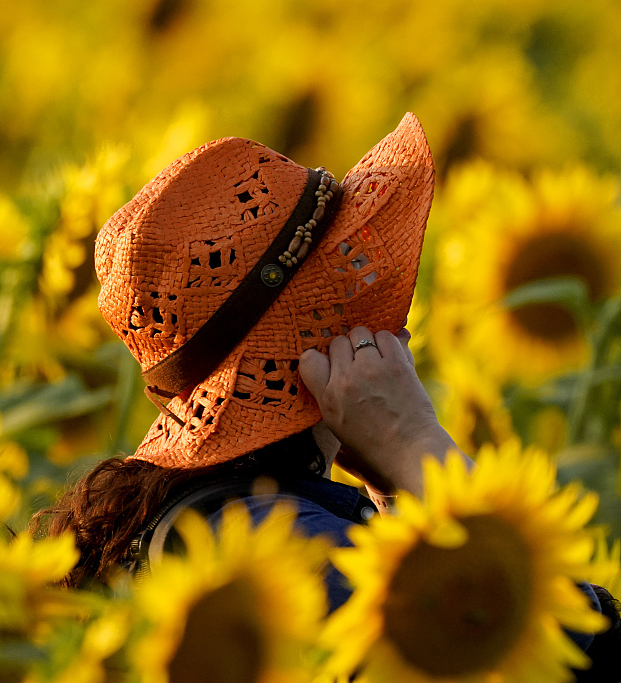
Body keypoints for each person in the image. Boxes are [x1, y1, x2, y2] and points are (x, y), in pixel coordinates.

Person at [31, 114, 620, 675]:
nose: (401, 329)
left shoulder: (195, 511)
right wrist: (414, 442)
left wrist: (394, 491)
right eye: (357, 299)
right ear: (316, 348)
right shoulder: (272, 536)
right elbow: (578, 647)